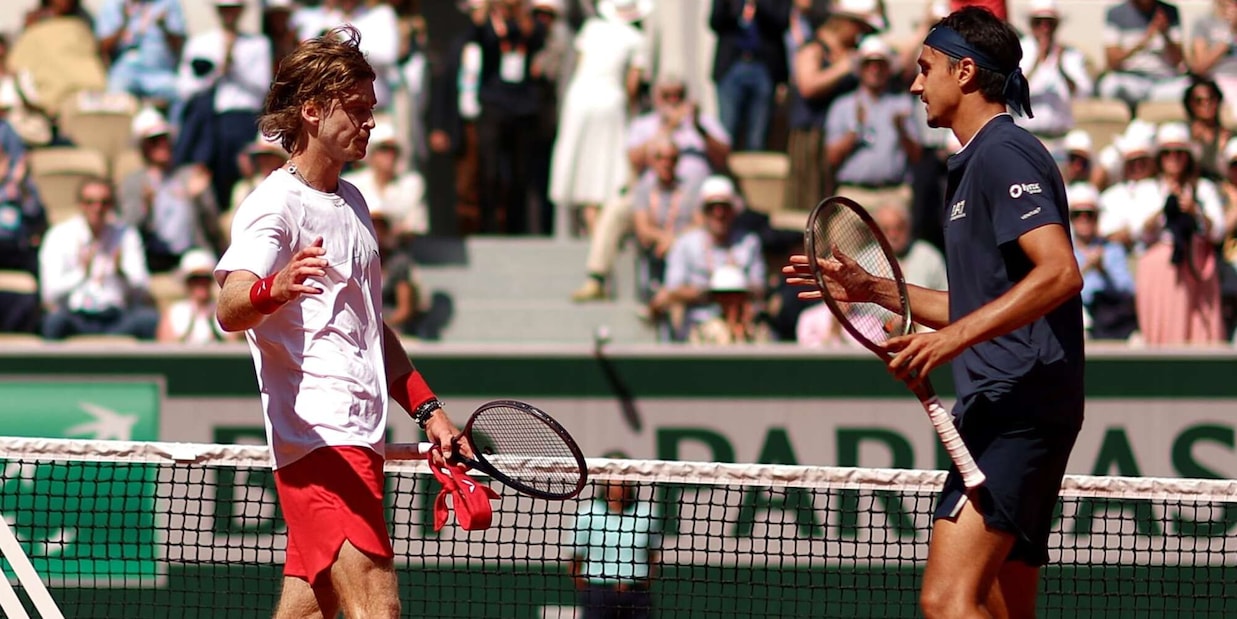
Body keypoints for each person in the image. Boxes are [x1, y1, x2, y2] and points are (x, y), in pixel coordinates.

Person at [785, 9, 1084, 618]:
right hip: (1011, 404)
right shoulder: (977, 162)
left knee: (947, 601)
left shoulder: (1003, 153)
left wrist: (949, 343)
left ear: (964, 72)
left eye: (926, 69)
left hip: (1016, 407)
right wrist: (874, 288)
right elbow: (981, 304)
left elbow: (1060, 273)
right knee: (1001, 605)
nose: (915, 83)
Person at [213, 27, 468, 618]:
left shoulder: (353, 201)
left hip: (360, 433)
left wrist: (429, 411)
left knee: (309, 609)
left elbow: (371, 327)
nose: (370, 121)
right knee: (379, 609)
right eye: (356, 108)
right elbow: (229, 306)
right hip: (321, 439)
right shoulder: (274, 205)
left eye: (370, 108)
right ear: (312, 111)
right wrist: (273, 288)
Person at [548, 0, 648, 237]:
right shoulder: (636, 39)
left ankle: (595, 229)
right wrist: (633, 114)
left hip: (579, 100)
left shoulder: (591, 29)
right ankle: (598, 231)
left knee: (585, 167)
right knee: (607, 168)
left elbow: (580, 65)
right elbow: (632, 85)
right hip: (609, 102)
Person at [1131, 122, 1226, 345]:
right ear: (1159, 157)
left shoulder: (1204, 189)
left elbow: (1218, 231)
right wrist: (1163, 209)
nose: (1173, 158)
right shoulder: (1147, 189)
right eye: (1167, 153)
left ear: (1188, 157)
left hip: (1196, 265)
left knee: (1201, 334)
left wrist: (1195, 211)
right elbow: (1138, 231)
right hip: (1160, 268)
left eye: (1179, 153)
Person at [39, 176, 160, 340]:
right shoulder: (60, 235)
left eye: (104, 202)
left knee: (148, 320)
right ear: (80, 204)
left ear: (112, 205)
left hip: (116, 317)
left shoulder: (126, 235)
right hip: (75, 316)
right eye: (90, 202)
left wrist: (121, 273)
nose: (97, 208)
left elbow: (143, 288)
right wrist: (81, 274)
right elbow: (49, 293)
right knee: (54, 322)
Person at [825, 35, 921, 208]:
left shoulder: (902, 104)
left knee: (892, 225)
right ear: (860, 68)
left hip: (893, 194)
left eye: (880, 64)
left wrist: (902, 131)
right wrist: (855, 131)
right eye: (869, 64)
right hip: (853, 193)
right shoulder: (842, 106)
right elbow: (831, 158)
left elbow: (917, 156)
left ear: (889, 69)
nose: (874, 69)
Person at [568, 451, 661, 619]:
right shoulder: (587, 514)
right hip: (598, 595)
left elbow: (653, 556)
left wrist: (640, 584)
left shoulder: (647, 514)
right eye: (614, 476)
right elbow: (575, 560)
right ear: (604, 481)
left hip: (637, 596)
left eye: (624, 475)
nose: (620, 482)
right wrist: (590, 591)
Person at [708, 0, 791, 152]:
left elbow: (783, 21)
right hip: (731, 65)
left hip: (764, 66)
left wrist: (758, 6)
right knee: (726, 133)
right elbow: (715, 21)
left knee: (757, 137)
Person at [1015, 0, 1092, 146]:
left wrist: (1062, 68)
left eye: (1050, 23)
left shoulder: (1070, 54)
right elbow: (1012, 91)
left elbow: (1083, 92)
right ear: (1031, 25)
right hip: (1026, 135)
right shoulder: (1018, 51)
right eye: (1039, 23)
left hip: (1060, 137)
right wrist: (1037, 62)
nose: (1045, 28)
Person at [1066, 183, 1137, 341]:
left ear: (1097, 216)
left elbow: (1128, 289)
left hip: (1108, 319)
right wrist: (1086, 267)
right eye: (1077, 214)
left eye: (1089, 214)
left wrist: (1103, 270)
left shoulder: (1113, 249)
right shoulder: (1063, 251)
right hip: (1074, 317)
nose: (1083, 219)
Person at [1096, 0, 1190, 109]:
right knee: (1110, 85)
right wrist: (1143, 42)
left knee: (1189, 87)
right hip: (1131, 80)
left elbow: (1179, 60)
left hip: (1164, 82)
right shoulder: (1115, 13)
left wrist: (1166, 35)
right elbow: (1112, 62)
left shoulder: (1169, 12)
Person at [157, 247, 236, 344]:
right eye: (195, 279)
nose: (201, 284)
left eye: (205, 278)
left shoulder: (226, 312)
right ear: (187, 282)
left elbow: (233, 344)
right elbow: (166, 346)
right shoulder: (174, 313)